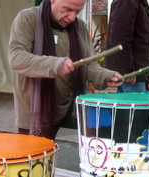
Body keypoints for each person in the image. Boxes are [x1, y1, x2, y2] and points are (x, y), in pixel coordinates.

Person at [8, 0, 124, 140]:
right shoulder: (28, 18)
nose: (72, 17)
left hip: (70, 105)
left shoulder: (79, 26)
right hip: (35, 110)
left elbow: (89, 64)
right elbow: (17, 58)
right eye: (68, 9)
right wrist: (55, 64)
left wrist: (106, 75)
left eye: (77, 11)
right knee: (37, 160)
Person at [104, 0, 149, 93]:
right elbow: (120, 37)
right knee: (136, 106)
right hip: (131, 74)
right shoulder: (127, 2)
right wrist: (128, 69)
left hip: (135, 71)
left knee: (130, 106)